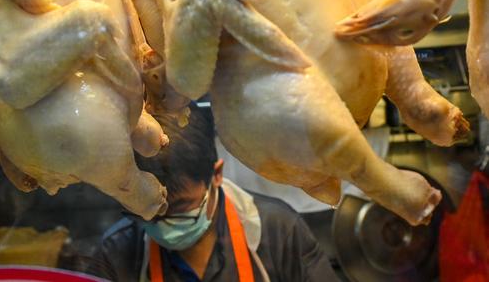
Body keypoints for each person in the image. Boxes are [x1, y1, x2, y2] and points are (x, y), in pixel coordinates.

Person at [89, 103, 339, 281]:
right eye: (150, 212)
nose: (163, 224)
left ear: (217, 175)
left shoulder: (279, 231)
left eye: (180, 207)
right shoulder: (116, 252)